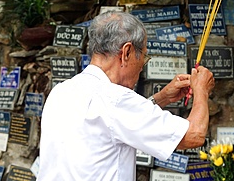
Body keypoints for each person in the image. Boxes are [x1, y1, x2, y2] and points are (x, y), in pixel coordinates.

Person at [37, 11, 215, 181]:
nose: (141, 66)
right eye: (143, 57)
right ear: (126, 52)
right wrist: (201, 90)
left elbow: (115, 123)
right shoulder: (115, 99)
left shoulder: (61, 91)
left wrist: (162, 98)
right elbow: (194, 135)